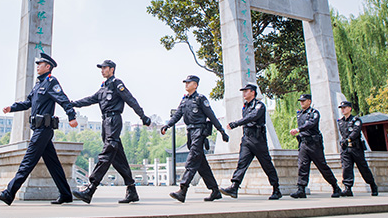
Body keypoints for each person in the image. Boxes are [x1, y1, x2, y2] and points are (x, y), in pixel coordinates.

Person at [0, 52, 78, 206]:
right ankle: (66, 194)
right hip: (38, 129)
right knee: (53, 164)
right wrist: (11, 108)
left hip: (43, 130)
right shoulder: (38, 85)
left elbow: (63, 99)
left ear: (48, 67)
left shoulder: (51, 82)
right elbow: (27, 103)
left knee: (27, 162)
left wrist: (71, 116)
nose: (37, 66)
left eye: (40, 64)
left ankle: (9, 193)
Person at [71, 59, 152, 204]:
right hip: (105, 123)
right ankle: (132, 190)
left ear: (112, 69)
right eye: (101, 68)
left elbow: (130, 99)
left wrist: (143, 116)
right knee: (117, 158)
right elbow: (90, 99)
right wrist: (73, 103)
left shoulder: (116, 83)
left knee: (107, 153)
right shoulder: (104, 87)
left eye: (105, 68)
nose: (102, 70)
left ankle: (91, 188)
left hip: (114, 120)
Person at [161, 75, 229, 203]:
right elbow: (177, 115)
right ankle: (215, 191)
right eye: (185, 82)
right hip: (190, 133)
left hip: (199, 132)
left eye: (189, 82)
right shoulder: (184, 100)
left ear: (195, 85)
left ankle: (183, 189)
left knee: (192, 160)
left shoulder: (200, 99)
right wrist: (167, 125)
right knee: (201, 164)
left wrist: (221, 131)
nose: (186, 85)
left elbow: (211, 116)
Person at [220, 83, 282, 200]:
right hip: (247, 139)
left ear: (253, 92)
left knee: (267, 165)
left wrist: (236, 123)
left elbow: (252, 117)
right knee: (242, 163)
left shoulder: (259, 105)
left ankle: (276, 189)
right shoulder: (245, 106)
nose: (244, 93)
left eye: (246, 91)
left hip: (258, 140)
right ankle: (234, 186)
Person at [289, 93, 342, 199]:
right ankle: (301, 189)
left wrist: (298, 130)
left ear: (309, 101)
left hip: (314, 144)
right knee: (302, 166)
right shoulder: (300, 114)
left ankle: (335, 186)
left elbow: (311, 124)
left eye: (304, 101)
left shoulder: (314, 113)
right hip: (304, 143)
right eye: (300, 101)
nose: (302, 103)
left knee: (322, 166)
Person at [337, 101, 378, 196]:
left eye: (345, 107)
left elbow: (355, 132)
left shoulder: (356, 120)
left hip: (356, 148)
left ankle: (372, 185)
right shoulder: (341, 121)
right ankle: (348, 188)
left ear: (350, 108)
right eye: (342, 108)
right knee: (346, 168)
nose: (343, 110)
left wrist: (348, 139)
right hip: (346, 149)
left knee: (363, 167)